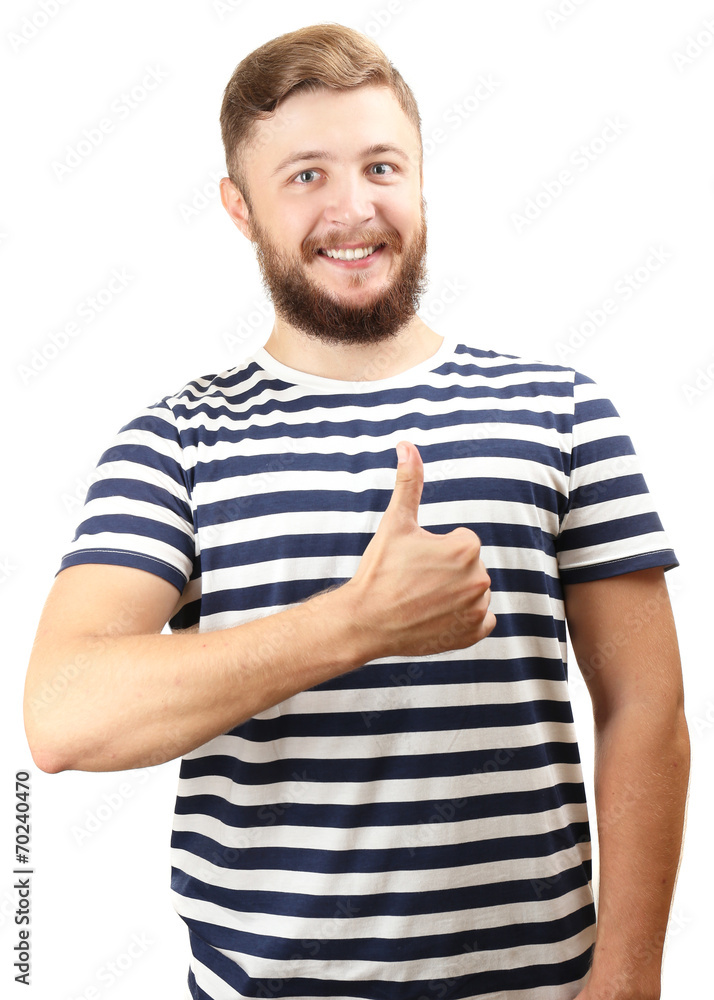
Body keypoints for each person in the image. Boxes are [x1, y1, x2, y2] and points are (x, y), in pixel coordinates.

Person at [24, 23, 689, 1000]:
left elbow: (647, 705)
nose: (354, 207)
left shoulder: (562, 410)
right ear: (239, 207)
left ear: (421, 183)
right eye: (304, 176)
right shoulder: (172, 443)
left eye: (383, 165)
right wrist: (354, 625)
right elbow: (61, 714)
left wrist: (629, 978)